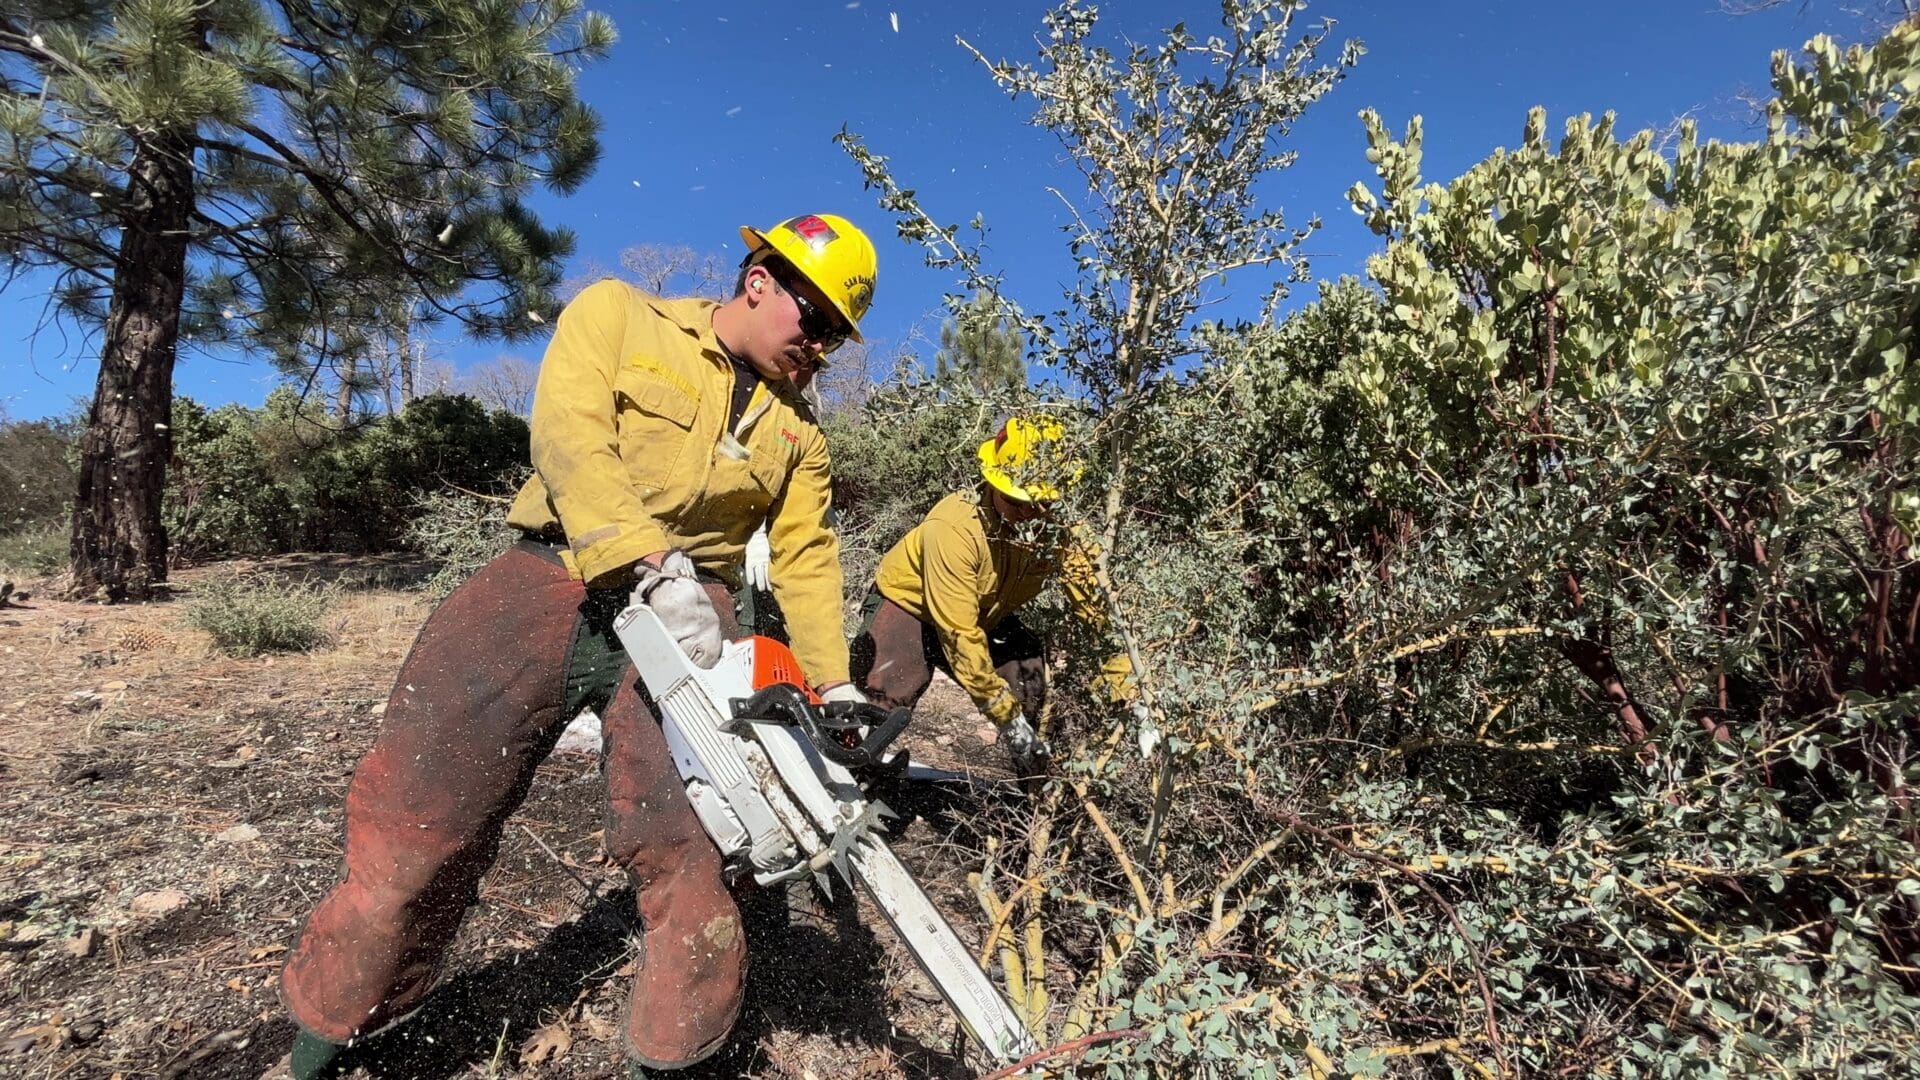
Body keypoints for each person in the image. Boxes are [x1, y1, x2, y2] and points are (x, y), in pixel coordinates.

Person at [276, 213, 878, 1079]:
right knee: (417, 827)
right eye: (814, 320)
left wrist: (831, 683)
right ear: (760, 281)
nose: (820, 347)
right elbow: (568, 432)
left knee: (699, 853)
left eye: (836, 338)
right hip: (549, 576)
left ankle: (669, 1060)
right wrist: (643, 556)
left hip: (692, 625)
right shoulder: (620, 315)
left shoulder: (801, 435)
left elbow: (809, 557)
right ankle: (332, 1039)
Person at [849, 416, 1133, 774]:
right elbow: (958, 632)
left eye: (1040, 503)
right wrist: (1003, 716)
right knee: (883, 696)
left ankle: (1040, 793)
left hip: (985, 616)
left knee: (1029, 684)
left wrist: (1128, 689)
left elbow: (1099, 612)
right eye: (1016, 501)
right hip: (911, 606)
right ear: (993, 482)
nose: (1028, 513)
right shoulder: (954, 526)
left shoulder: (1062, 533)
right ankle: (850, 781)